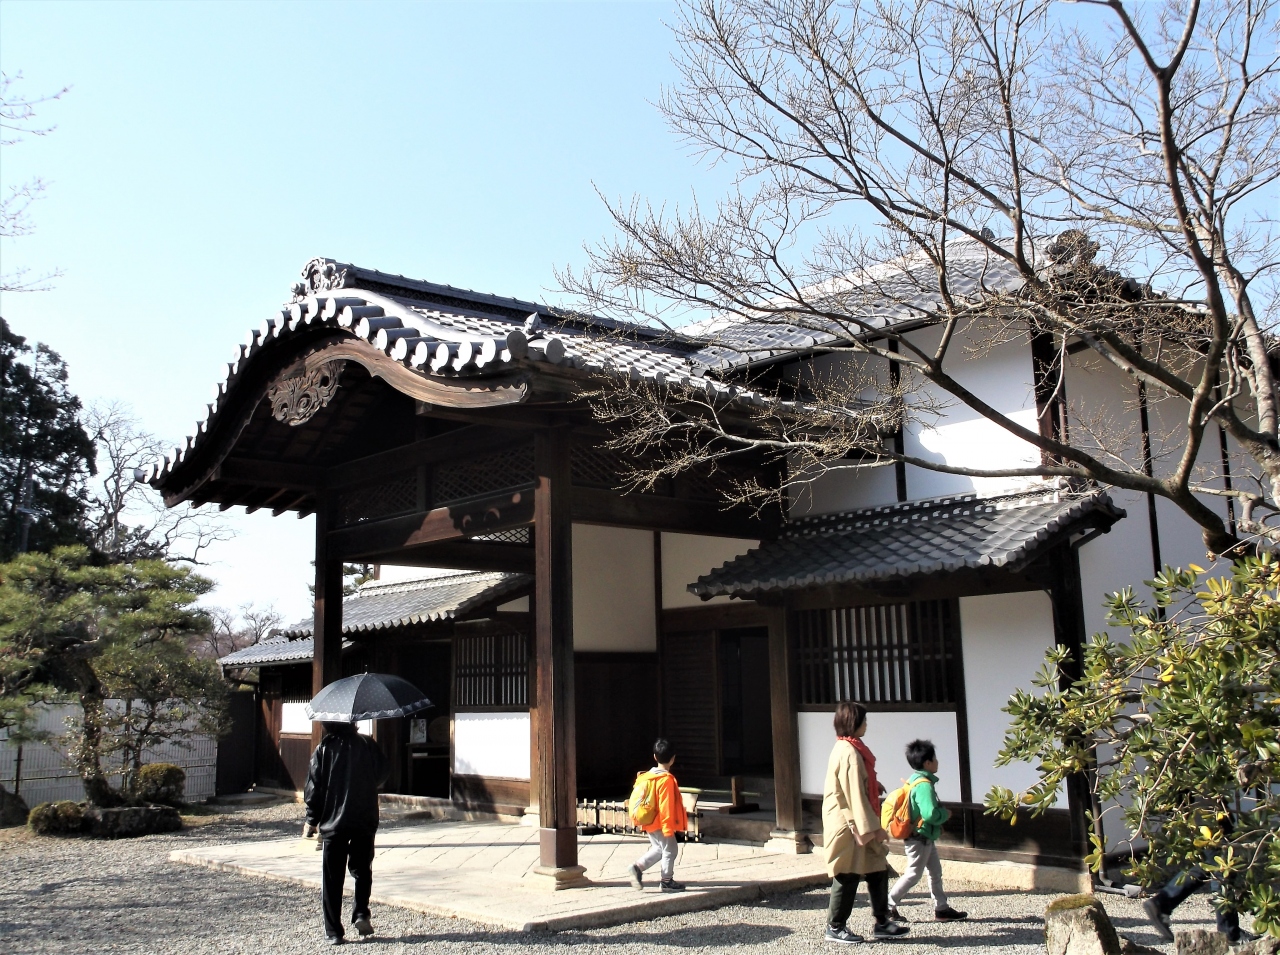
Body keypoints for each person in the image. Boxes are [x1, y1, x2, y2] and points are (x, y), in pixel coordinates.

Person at [822, 701, 910, 944]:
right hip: (848, 822)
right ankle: (835, 925)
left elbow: (858, 784)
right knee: (847, 872)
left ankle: (882, 922)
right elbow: (853, 795)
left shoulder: (849, 748)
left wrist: (874, 786)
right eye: (864, 720)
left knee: (876, 867)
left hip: (856, 818)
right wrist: (873, 828)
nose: (867, 725)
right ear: (854, 722)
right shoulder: (849, 752)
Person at [303, 721, 390, 945]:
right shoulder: (367, 744)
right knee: (362, 868)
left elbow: (314, 788)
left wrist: (312, 820)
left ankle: (334, 931)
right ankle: (361, 912)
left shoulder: (323, 749)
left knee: (332, 877)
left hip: (333, 822)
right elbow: (382, 773)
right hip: (364, 816)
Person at [886, 739, 967, 922]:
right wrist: (944, 814)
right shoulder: (924, 785)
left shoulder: (914, 780)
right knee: (914, 873)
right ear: (927, 763)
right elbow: (929, 814)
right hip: (920, 837)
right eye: (935, 758)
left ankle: (942, 908)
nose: (938, 761)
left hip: (924, 837)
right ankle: (888, 905)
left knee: (935, 871)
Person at [628, 737, 689, 893]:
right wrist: (669, 829)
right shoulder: (666, 780)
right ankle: (666, 881)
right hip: (661, 822)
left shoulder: (646, 777)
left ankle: (637, 868)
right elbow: (665, 807)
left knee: (658, 848)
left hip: (648, 819)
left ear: (655, 757)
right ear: (673, 759)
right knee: (671, 849)